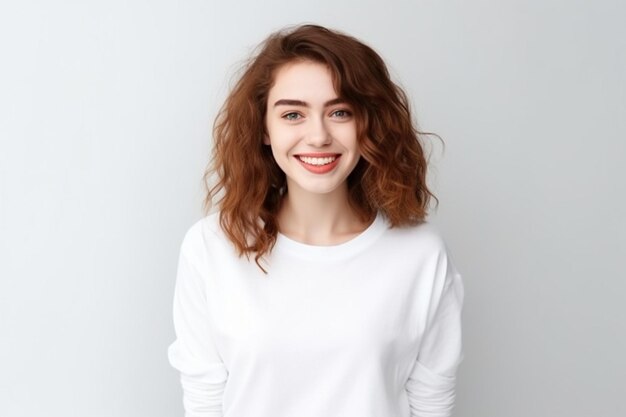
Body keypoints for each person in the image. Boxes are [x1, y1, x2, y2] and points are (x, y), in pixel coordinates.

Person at [167, 24, 464, 417]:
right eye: (293, 114)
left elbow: (431, 406)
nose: (319, 135)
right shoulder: (211, 247)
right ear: (264, 129)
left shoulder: (420, 253)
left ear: (367, 124)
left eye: (340, 112)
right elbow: (205, 403)